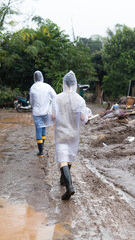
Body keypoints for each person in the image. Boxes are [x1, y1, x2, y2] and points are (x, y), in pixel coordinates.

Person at [51, 71, 88, 200]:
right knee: (70, 157)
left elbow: (53, 116)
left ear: (64, 83)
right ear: (75, 84)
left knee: (62, 159)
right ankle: (63, 180)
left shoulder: (57, 98)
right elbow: (84, 119)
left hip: (61, 133)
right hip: (74, 133)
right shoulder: (80, 99)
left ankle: (69, 188)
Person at [29, 70, 56, 157]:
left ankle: (40, 152)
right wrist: (51, 105)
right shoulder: (47, 86)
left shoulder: (32, 87)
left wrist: (34, 106)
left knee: (38, 130)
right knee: (44, 127)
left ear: (34, 78)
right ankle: (42, 147)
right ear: (42, 77)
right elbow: (55, 97)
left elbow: (31, 101)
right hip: (46, 112)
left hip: (36, 112)